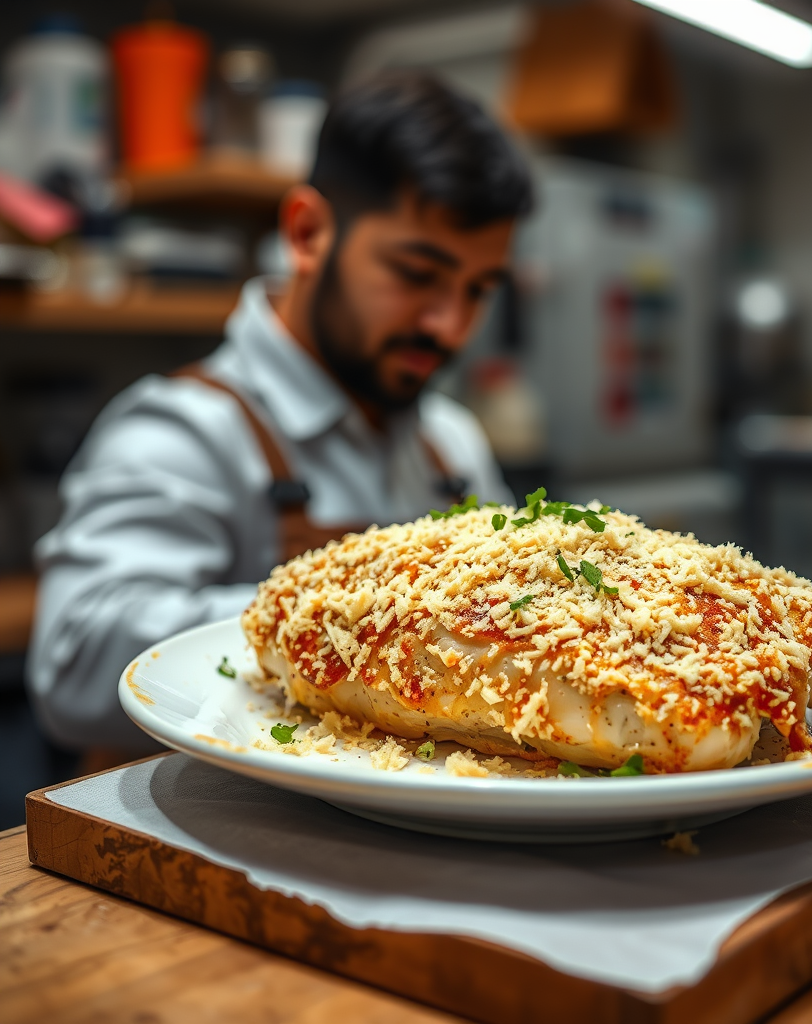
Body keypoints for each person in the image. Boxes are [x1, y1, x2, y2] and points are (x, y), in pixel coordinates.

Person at [28, 71, 534, 759]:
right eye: (417, 274)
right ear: (308, 232)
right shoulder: (183, 431)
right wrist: (369, 622)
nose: (449, 326)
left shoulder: (452, 444)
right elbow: (72, 667)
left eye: (477, 290)